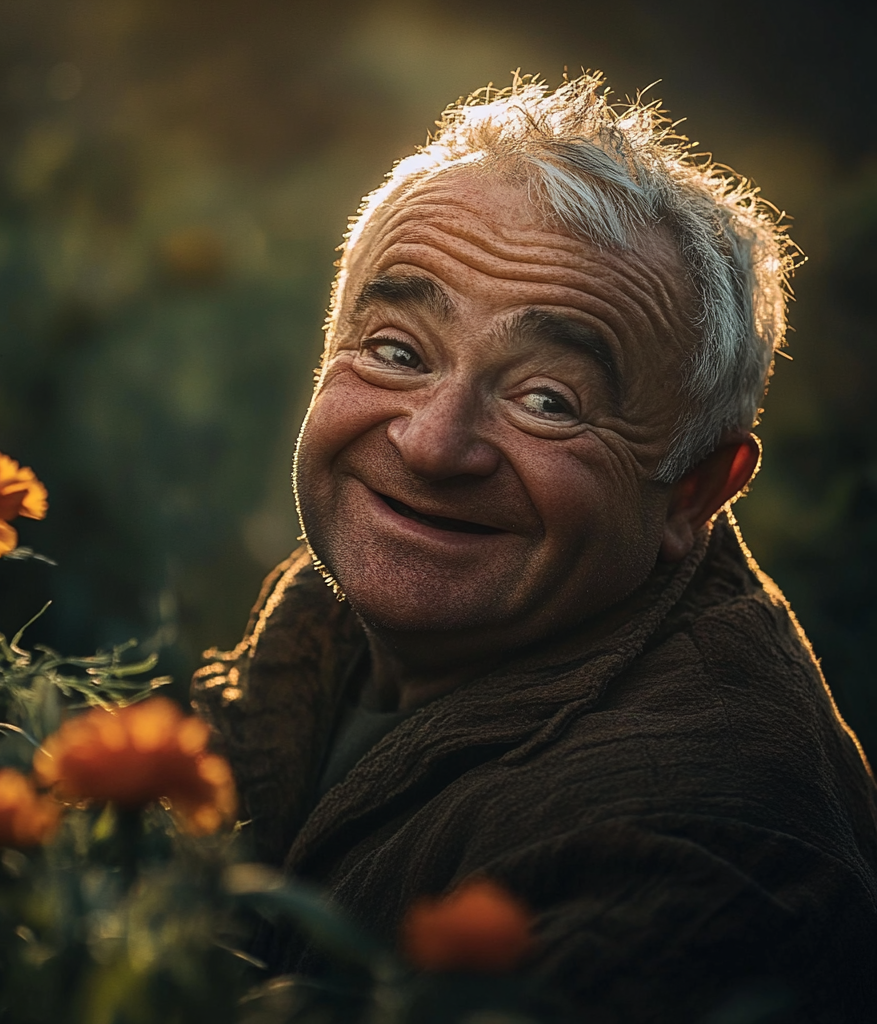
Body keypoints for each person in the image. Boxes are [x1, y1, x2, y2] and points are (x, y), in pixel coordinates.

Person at [192, 73, 877, 1022]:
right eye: (396, 349)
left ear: (695, 492)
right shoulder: (386, 590)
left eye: (548, 402)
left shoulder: (701, 852)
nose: (431, 444)